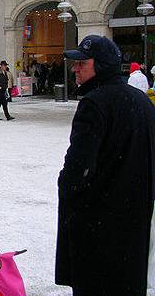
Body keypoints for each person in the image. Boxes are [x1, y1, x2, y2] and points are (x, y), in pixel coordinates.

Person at [56, 35, 155, 295]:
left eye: (82, 63)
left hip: (97, 226)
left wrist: (67, 185)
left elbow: (78, 170)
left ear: (100, 65)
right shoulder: (142, 101)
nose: (75, 69)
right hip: (134, 221)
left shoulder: (94, 103)